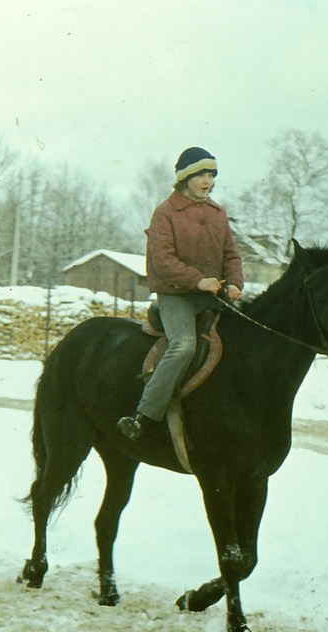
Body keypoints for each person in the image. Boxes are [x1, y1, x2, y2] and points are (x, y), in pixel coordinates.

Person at [117, 147, 244, 441]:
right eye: (201, 174)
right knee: (184, 345)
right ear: (185, 177)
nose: (208, 181)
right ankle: (144, 415)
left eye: (211, 174)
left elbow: (232, 255)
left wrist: (235, 282)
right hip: (176, 296)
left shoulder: (218, 213)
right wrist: (198, 281)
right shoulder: (165, 213)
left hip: (214, 295)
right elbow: (163, 260)